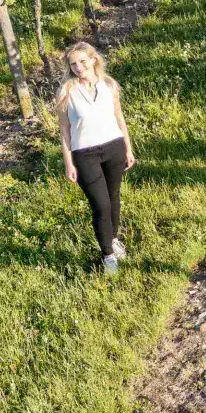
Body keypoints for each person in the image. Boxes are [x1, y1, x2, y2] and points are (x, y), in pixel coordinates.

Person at [56, 41, 136, 274]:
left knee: (113, 199)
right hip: (85, 154)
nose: (78, 67)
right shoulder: (67, 92)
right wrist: (68, 162)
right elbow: (64, 131)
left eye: (82, 61)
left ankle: (113, 239)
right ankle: (108, 255)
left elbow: (120, 119)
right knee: (100, 205)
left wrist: (128, 149)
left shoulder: (109, 85)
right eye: (73, 64)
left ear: (93, 59)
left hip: (114, 147)